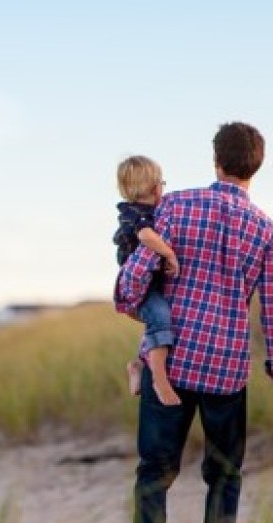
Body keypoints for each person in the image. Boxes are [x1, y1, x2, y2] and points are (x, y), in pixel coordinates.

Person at [116, 121, 273, 523]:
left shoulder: (175, 206)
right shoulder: (268, 232)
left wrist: (131, 297)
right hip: (227, 370)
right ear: (257, 166)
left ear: (216, 161)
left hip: (171, 359)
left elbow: (134, 282)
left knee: (154, 470)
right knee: (225, 476)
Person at [114, 155, 182, 406]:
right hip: (140, 289)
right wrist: (169, 253)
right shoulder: (136, 215)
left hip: (149, 286)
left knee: (158, 323)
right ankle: (159, 380)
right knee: (161, 318)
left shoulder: (149, 212)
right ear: (156, 188)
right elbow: (145, 236)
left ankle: (138, 367)